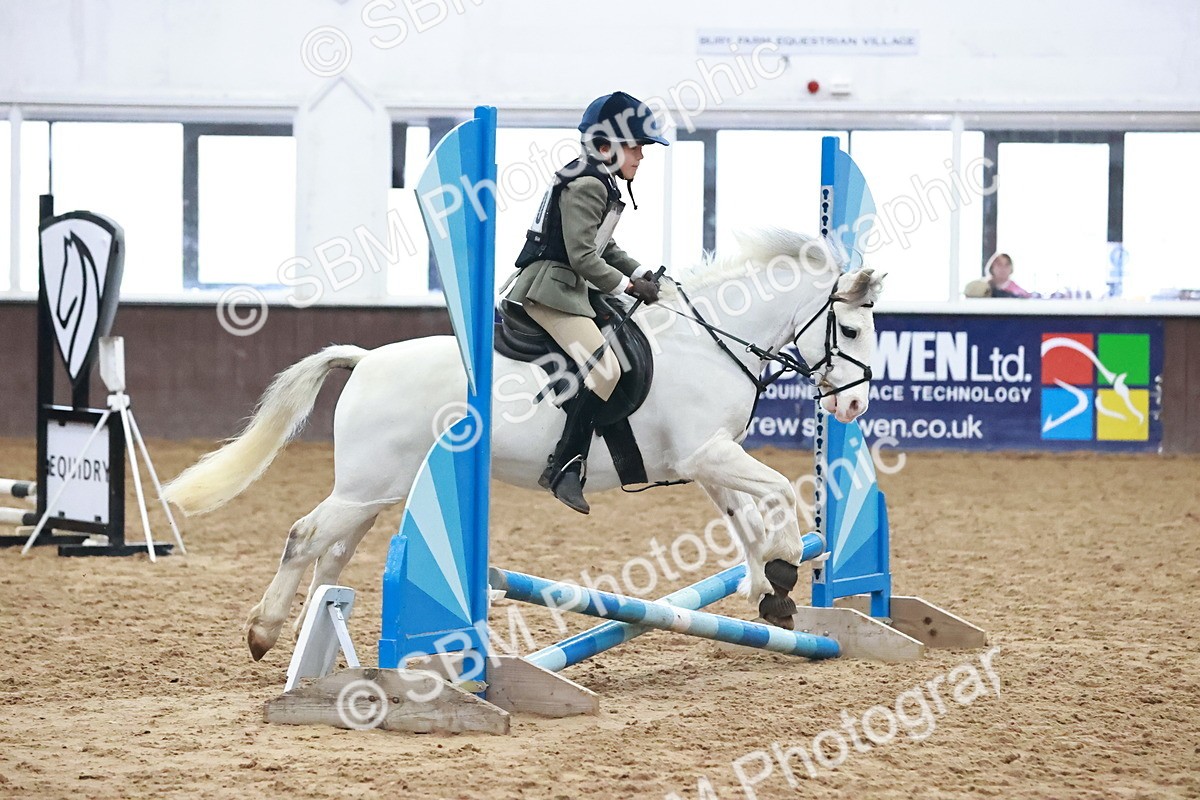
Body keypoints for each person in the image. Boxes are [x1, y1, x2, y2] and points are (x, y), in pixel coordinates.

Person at [506, 91, 667, 514]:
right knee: (606, 369)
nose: (641, 156)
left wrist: (638, 273)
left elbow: (604, 245)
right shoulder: (588, 184)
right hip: (550, 291)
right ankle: (565, 464)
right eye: (635, 146)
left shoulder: (600, 181)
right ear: (604, 146)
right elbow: (582, 256)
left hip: (571, 286)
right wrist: (627, 287)